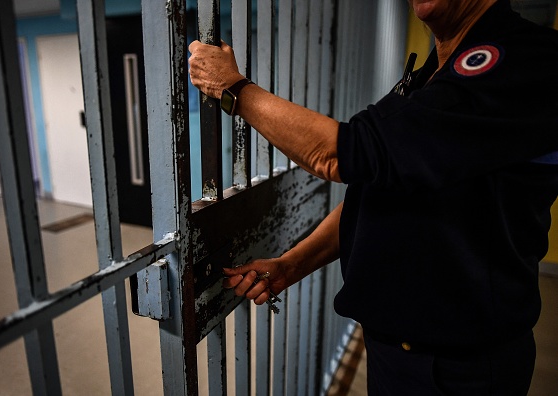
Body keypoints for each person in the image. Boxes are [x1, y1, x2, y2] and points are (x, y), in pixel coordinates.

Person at [188, 0, 558, 394]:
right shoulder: (432, 72)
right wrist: (290, 266)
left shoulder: (528, 58)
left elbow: (342, 153)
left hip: (458, 367)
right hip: (395, 352)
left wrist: (236, 90)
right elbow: (377, 191)